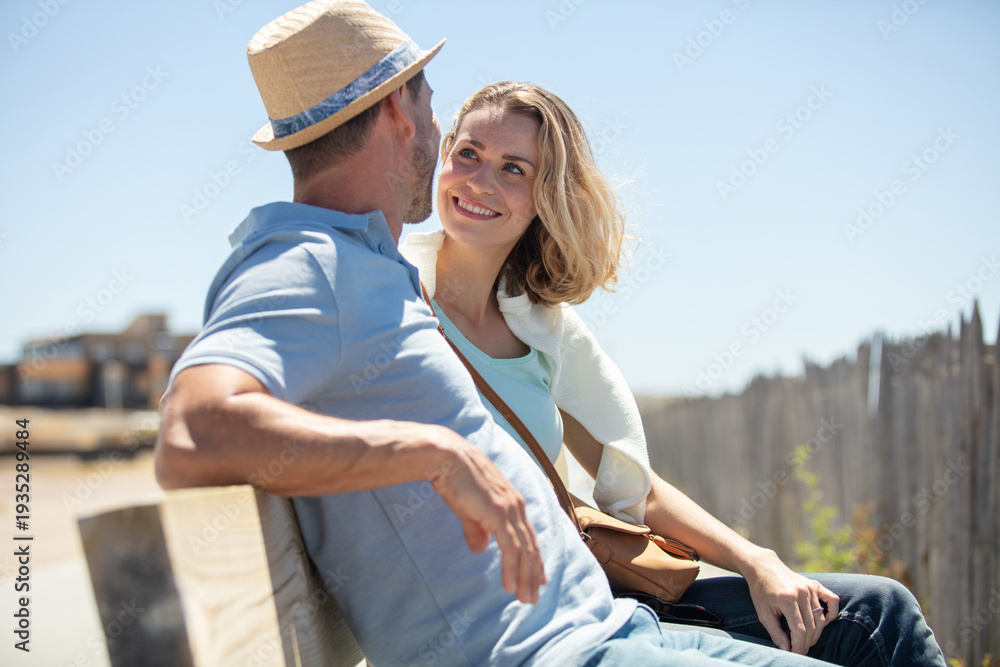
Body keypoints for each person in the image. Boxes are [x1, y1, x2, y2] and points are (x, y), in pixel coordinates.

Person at [399, 81, 947, 665]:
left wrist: (756, 561)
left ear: (546, 194)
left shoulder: (541, 329)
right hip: (511, 621)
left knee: (879, 612)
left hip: (596, 592)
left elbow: (635, 487)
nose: (480, 182)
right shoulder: (397, 299)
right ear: (445, 152)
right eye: (469, 155)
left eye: (514, 168)